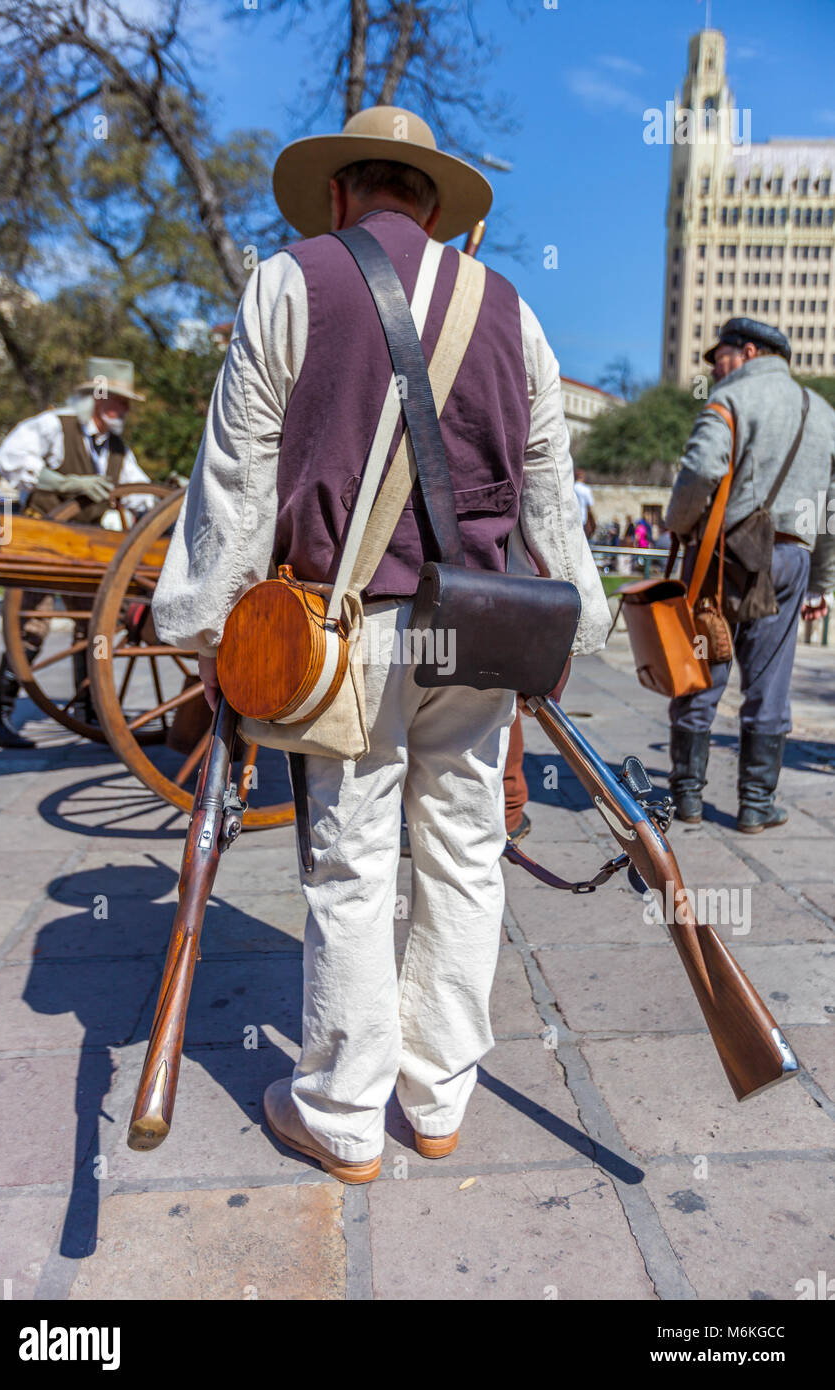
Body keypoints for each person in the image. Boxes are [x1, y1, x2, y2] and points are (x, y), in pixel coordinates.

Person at [152, 105, 611, 1183]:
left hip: (346, 627)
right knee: (462, 854)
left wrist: (209, 622)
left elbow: (237, 475)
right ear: (436, 207)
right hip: (479, 627)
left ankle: (343, 1112)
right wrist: (577, 614)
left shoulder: (288, 279)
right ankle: (438, 1097)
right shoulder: (512, 307)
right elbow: (552, 488)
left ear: (334, 195)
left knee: (351, 864)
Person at [666, 318, 835, 831]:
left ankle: (688, 798)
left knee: (702, 671)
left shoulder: (729, 401)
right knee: (770, 682)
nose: (713, 365)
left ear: (749, 351)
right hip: (789, 559)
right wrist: (822, 581)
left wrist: (677, 524)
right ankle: (757, 804)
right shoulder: (824, 414)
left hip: (723, 556)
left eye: (719, 355)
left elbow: (698, 472)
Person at [0, 358, 151, 747]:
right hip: (41, 539)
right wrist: (65, 480)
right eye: (116, 401)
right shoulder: (55, 425)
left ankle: (89, 709)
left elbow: (139, 491)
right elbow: (9, 459)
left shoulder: (117, 450)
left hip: (88, 548)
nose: (122, 409)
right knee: (30, 625)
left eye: (125, 403)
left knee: (91, 627)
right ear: (95, 398)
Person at [573, 468, 597, 538]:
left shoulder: (571, 488)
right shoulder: (586, 489)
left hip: (571, 518)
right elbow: (590, 506)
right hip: (582, 518)